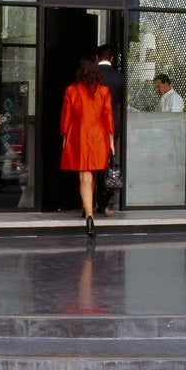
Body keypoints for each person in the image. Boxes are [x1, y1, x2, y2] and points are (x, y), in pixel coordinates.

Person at [60, 56, 115, 237]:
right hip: (99, 137)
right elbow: (108, 118)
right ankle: (87, 207)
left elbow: (66, 118)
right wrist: (112, 141)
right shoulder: (104, 91)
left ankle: (89, 215)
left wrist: (65, 138)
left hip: (79, 136)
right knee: (92, 175)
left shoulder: (71, 90)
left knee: (85, 177)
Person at [96, 45, 124, 216]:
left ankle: (93, 200)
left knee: (95, 164)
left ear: (97, 57)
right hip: (114, 124)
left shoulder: (93, 77)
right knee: (111, 163)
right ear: (112, 59)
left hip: (95, 125)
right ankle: (108, 202)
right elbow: (119, 103)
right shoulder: (119, 78)